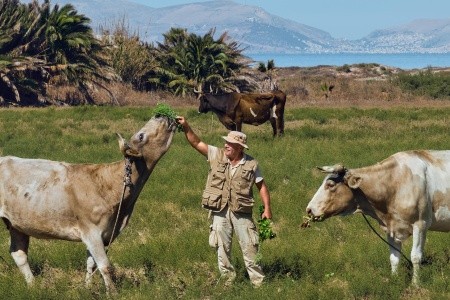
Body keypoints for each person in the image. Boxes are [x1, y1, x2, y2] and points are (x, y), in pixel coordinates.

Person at [176, 116, 272, 288]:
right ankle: (228, 281)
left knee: (250, 247)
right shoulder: (216, 155)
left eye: (230, 143)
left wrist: (267, 209)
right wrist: (186, 126)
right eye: (226, 142)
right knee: (221, 248)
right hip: (220, 210)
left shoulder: (252, 164)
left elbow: (262, 187)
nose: (226, 145)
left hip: (241, 211)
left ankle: (259, 284)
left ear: (239, 148)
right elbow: (196, 143)